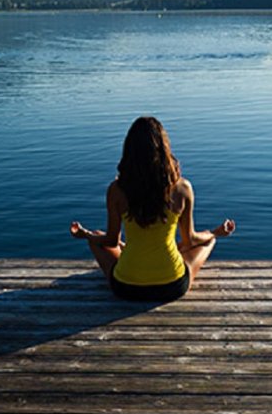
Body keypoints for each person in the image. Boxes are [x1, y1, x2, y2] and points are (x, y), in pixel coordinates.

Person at [70, 116, 235, 301]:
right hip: (172, 286)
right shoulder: (182, 188)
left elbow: (110, 241)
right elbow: (190, 241)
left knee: (96, 238)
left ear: (129, 151)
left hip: (126, 287)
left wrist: (85, 234)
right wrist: (215, 232)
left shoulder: (116, 190)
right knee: (207, 241)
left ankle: (129, 250)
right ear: (164, 150)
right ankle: (211, 238)